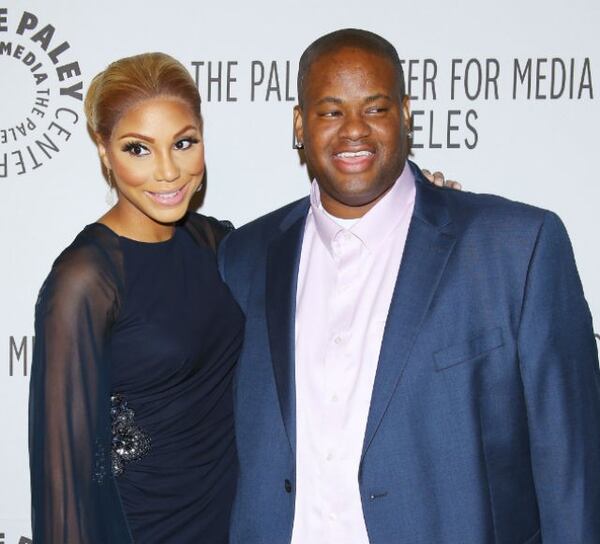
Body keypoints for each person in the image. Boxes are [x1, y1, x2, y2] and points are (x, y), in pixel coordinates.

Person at [219, 29, 600, 543]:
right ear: (300, 125)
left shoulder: (514, 248)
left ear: (406, 113)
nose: (354, 130)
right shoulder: (244, 257)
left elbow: (571, 468)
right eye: (330, 111)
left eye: (375, 109)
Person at [29, 52, 245, 543]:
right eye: (138, 149)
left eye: (183, 143)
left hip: (233, 524)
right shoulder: (86, 279)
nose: (168, 171)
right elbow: (63, 484)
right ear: (104, 151)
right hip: (145, 530)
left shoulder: (218, 244)